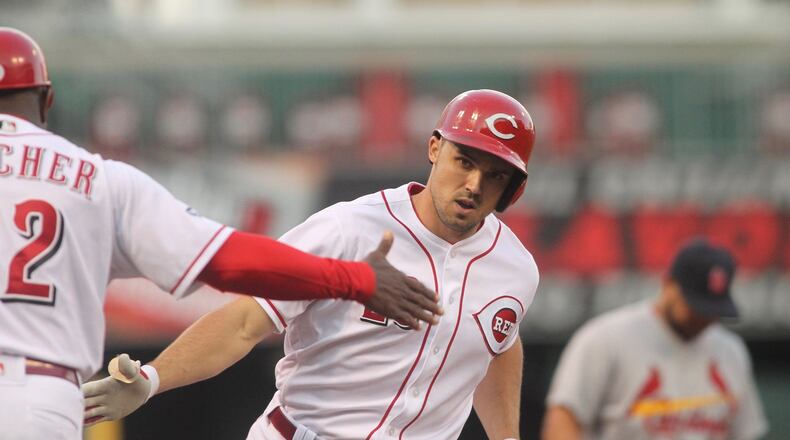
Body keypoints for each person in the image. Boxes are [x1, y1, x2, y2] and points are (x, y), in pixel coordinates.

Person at [0, 27, 441, 440]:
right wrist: (356, 279)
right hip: (36, 395)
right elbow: (230, 261)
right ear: (47, 98)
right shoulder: (98, 178)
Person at [83, 89, 540, 439]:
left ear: (512, 189)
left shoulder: (515, 269)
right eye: (464, 161)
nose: (474, 184)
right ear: (435, 148)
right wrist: (152, 378)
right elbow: (246, 320)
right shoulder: (349, 229)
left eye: (495, 174)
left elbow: (499, 339)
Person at [543, 239, 768, 440]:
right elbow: (563, 421)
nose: (704, 317)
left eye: (712, 310)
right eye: (696, 306)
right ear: (669, 285)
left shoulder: (731, 351)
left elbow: (746, 432)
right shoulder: (605, 338)